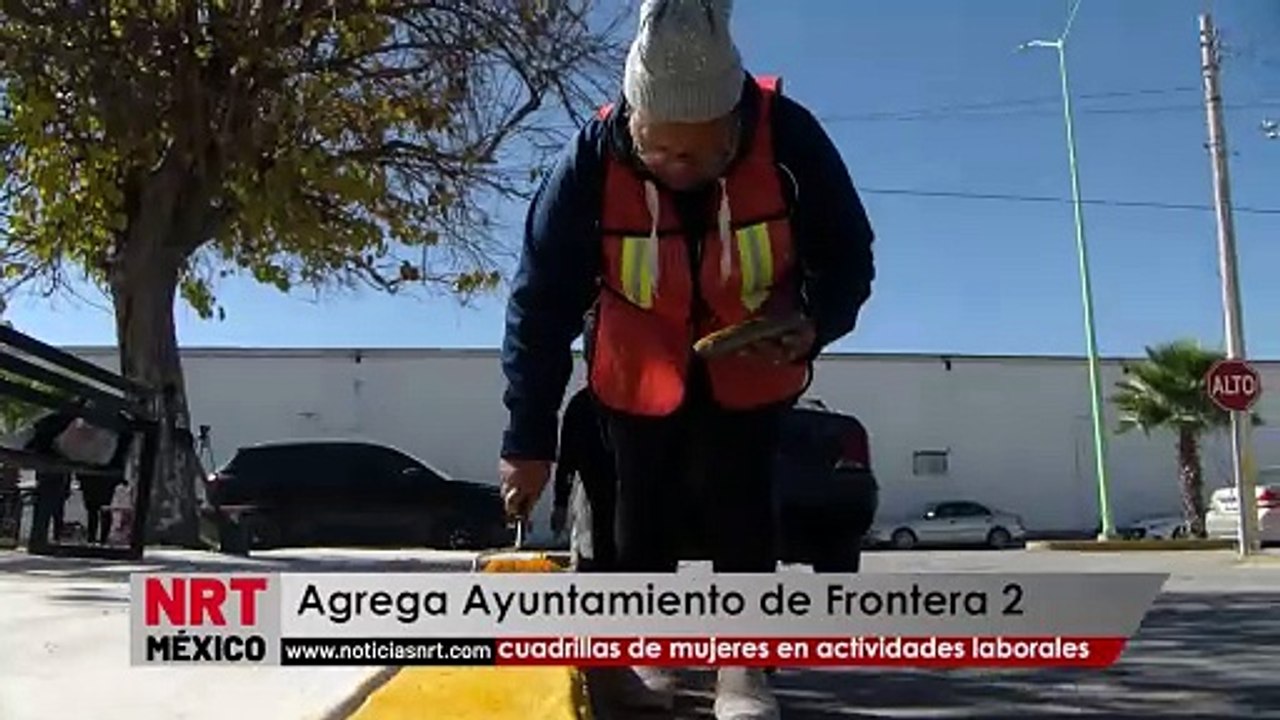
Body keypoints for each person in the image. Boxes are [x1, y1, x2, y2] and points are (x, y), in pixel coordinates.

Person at [498, 0, 875, 716]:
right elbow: (539, 306)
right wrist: (526, 441)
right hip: (636, 366)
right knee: (641, 507)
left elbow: (848, 255)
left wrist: (816, 322)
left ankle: (743, 666)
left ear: (736, 121)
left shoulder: (790, 138)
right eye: (663, 151)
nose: (683, 168)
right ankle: (652, 648)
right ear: (631, 123)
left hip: (752, 358)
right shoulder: (586, 162)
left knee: (742, 502)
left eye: (704, 151)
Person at [549, 385, 617, 571]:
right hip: (598, 499)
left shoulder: (581, 403)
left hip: (600, 498)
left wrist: (560, 503)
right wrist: (560, 502)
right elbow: (566, 461)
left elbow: (566, 461)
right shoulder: (582, 404)